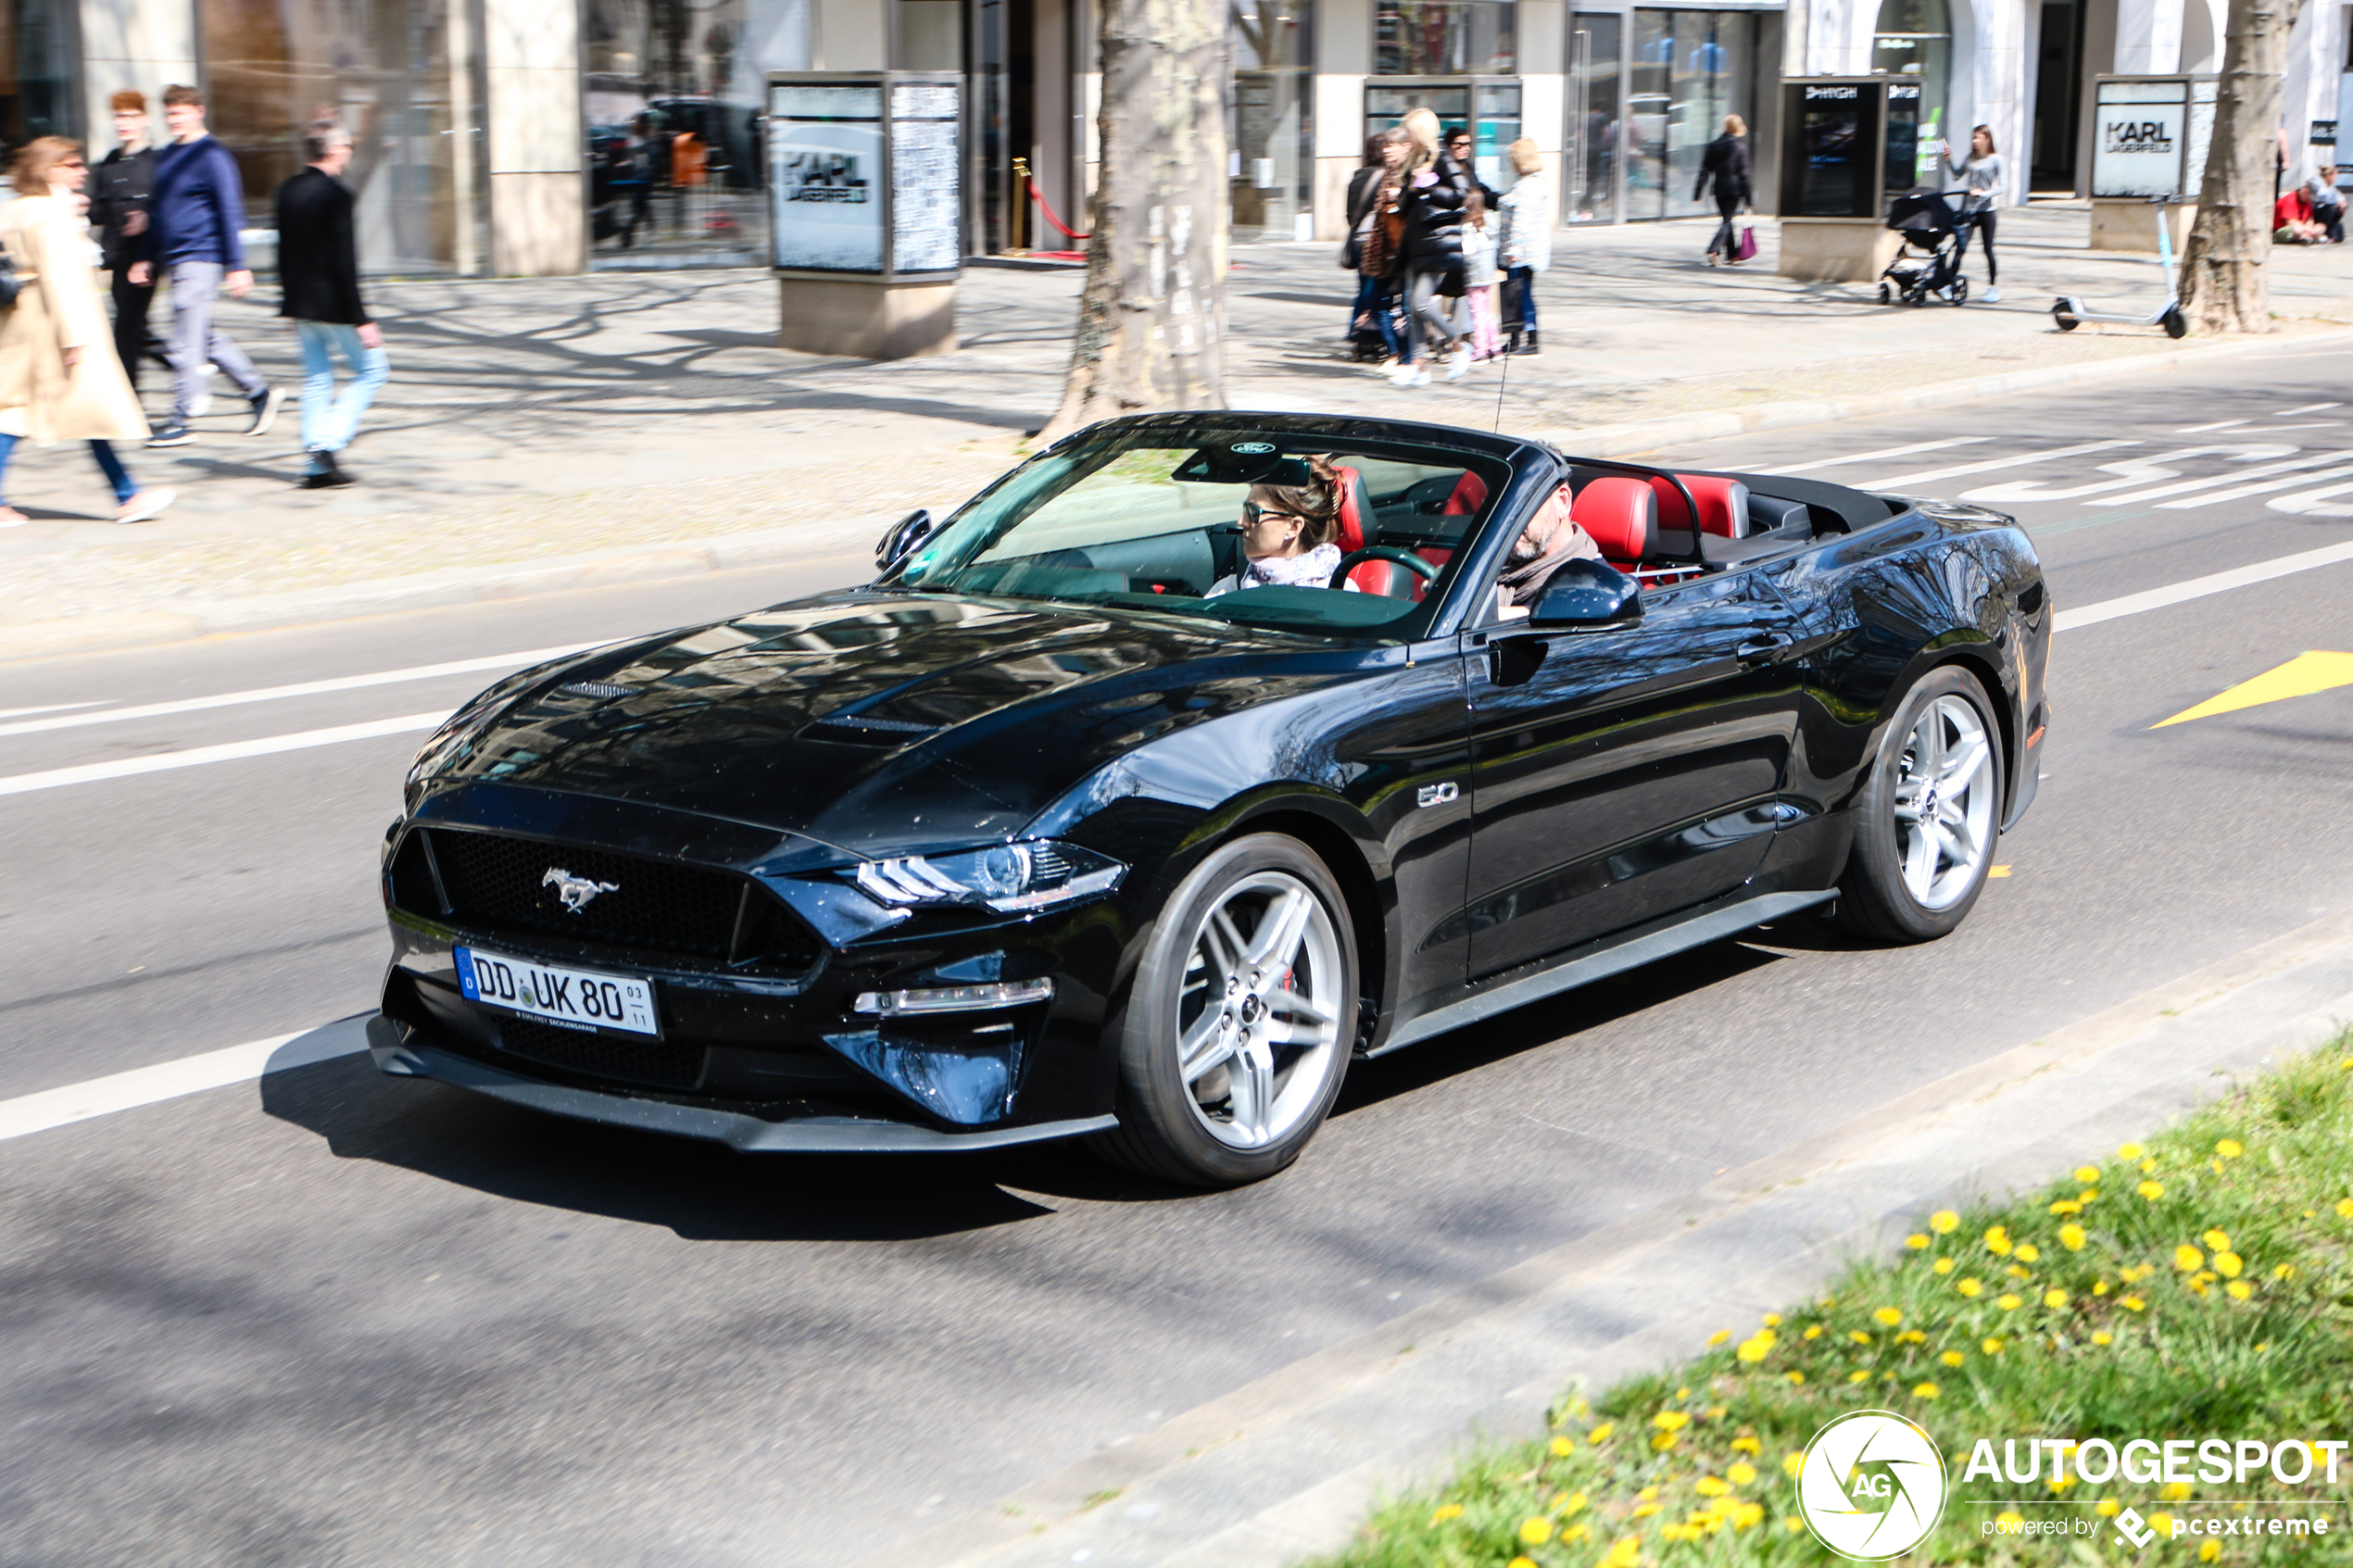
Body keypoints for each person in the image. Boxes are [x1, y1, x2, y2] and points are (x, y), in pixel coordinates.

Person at [0, 138, 175, 526]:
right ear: (49, 169)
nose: (82, 171)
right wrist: (75, 336)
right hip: (54, 326)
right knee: (77, 409)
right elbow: (62, 277)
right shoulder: (50, 215)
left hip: (20, 321)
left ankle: (127, 493)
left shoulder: (14, 210)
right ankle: (127, 496)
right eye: (72, 164)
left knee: (20, 411)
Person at [128, 83, 282, 446]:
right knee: (201, 335)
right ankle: (259, 392)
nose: (173, 120)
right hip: (175, 257)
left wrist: (237, 265)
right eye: (169, 114)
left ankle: (182, 419)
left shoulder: (212, 155)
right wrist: (146, 256)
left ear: (199, 111)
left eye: (179, 112)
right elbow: (157, 212)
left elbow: (230, 211)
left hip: (202, 255)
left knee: (184, 341)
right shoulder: (167, 155)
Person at [276, 121, 388, 489]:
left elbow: (284, 253)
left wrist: (288, 302)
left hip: (302, 303)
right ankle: (328, 443)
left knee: (316, 379)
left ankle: (316, 464)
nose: (350, 151)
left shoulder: (287, 191)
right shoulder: (337, 195)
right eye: (348, 145)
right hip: (335, 304)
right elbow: (345, 260)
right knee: (373, 370)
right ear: (334, 150)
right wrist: (361, 318)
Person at [88, 89, 170, 395]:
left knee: (126, 329)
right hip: (117, 258)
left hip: (146, 257)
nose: (124, 122)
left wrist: (148, 222)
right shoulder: (109, 162)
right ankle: (184, 364)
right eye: (119, 116)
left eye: (131, 116)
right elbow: (98, 211)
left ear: (145, 119)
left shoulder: (159, 162)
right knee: (135, 329)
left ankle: (130, 399)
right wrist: (81, 205)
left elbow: (167, 210)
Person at [1390, 107, 1474, 388]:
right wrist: (1409, 187)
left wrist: (1429, 187)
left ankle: (1458, 345)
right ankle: (1419, 365)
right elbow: (1405, 204)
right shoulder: (1414, 160)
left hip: (1438, 244)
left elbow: (1462, 194)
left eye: (1410, 132)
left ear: (1422, 133)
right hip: (1415, 245)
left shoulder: (1442, 158)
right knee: (1411, 308)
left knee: (1421, 303)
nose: (1407, 137)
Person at [1207, 459, 1353, 596]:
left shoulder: (1340, 593)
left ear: (1294, 527)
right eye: (1245, 509)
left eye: (1254, 512)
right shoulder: (1228, 589)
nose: (1241, 521)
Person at [1494, 483, 1604, 617]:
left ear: (1562, 502)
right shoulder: (1486, 564)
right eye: (1500, 510)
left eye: (1520, 506)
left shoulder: (1596, 585)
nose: (1507, 521)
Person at [1347, 130, 1407, 365]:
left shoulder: (1358, 177)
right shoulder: (1385, 177)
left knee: (1367, 291)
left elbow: (1350, 213)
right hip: (1380, 243)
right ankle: (1384, 343)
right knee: (1380, 295)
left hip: (1361, 241)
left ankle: (1365, 342)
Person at [1494, 137, 1552, 355]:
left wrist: (1514, 250)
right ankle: (1516, 339)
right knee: (1517, 295)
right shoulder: (1533, 183)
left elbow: (1521, 222)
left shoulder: (1528, 187)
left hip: (1522, 254)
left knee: (1521, 295)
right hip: (1529, 252)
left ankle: (1531, 341)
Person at [1944, 125, 2007, 301]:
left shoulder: (1996, 159)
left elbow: (2003, 186)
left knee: (1988, 249)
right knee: (1960, 246)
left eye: (1978, 138)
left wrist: (1984, 193)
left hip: (1987, 211)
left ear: (1987, 139)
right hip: (1969, 211)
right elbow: (1957, 175)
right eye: (1973, 138)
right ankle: (1949, 284)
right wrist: (1949, 160)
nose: (1974, 141)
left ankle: (1993, 288)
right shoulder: (1970, 158)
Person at [1695, 114, 1751, 266]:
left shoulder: (1714, 145)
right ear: (1739, 127)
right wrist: (1749, 197)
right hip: (1734, 189)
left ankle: (1733, 255)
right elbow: (1744, 174)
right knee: (1727, 220)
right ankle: (1713, 250)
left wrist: (1698, 191)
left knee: (1727, 219)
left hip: (1719, 187)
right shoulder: (1740, 147)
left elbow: (1705, 170)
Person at [1460, 189, 1504, 360]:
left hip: (1473, 274)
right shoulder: (1491, 220)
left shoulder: (1467, 225)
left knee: (1477, 312)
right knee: (1487, 311)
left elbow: (1467, 251)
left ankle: (1481, 350)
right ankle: (1496, 347)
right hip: (1488, 272)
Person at [1445, 128, 1500, 211]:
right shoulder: (1444, 168)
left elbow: (1475, 186)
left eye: (1468, 144)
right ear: (1449, 146)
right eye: (1459, 145)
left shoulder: (1467, 166)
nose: (1466, 148)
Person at [2304, 166, 2344, 244]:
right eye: (2335, 175)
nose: (2336, 178)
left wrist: (2342, 201)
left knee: (2339, 213)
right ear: (2329, 176)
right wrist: (2337, 200)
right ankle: (2321, 230)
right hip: (2313, 211)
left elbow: (2338, 195)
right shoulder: (2314, 182)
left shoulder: (2330, 186)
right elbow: (2322, 196)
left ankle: (2331, 235)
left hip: (2324, 211)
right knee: (2332, 208)